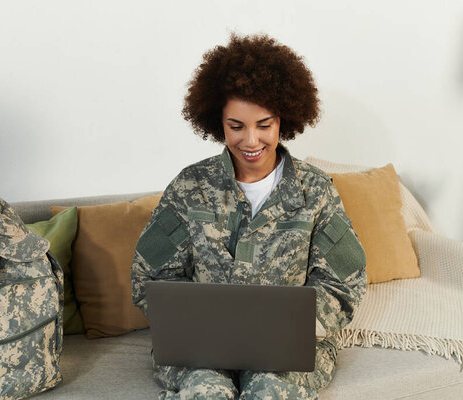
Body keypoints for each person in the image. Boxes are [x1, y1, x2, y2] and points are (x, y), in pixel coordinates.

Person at [131, 32, 367, 400]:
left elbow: (342, 284)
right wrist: (193, 327)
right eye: (236, 127)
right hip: (200, 348)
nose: (251, 141)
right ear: (217, 122)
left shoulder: (315, 191)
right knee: (206, 393)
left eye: (264, 125)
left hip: (286, 350)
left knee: (269, 392)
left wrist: (292, 330)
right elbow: (151, 276)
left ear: (284, 120)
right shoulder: (190, 186)